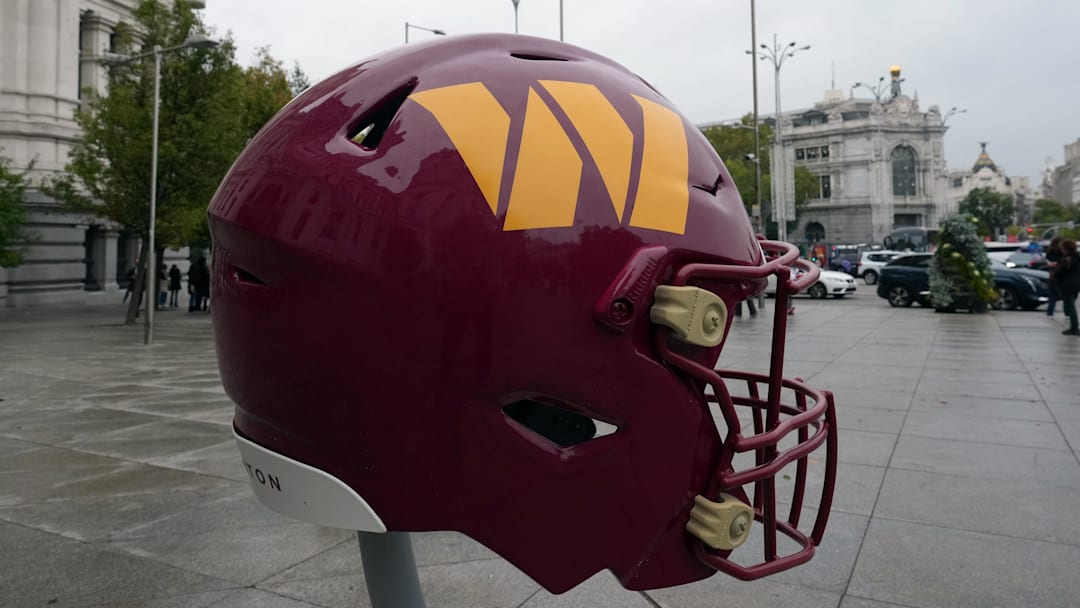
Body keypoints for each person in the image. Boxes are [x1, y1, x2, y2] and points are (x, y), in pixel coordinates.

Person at [1054, 239, 1080, 336]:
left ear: (1064, 248)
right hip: (1077, 284)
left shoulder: (1066, 259)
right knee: (1071, 304)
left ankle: (1074, 327)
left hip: (1066, 284)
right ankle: (1074, 326)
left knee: (1070, 305)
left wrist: (1055, 268)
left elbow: (1059, 273)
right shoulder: (1077, 258)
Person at [1045, 236, 1063, 317]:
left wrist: (1050, 264)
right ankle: (1067, 312)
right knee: (1063, 295)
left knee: (1052, 295)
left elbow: (1047, 260)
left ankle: (1050, 312)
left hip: (1053, 273)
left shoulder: (1050, 250)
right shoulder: (1062, 251)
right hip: (1061, 274)